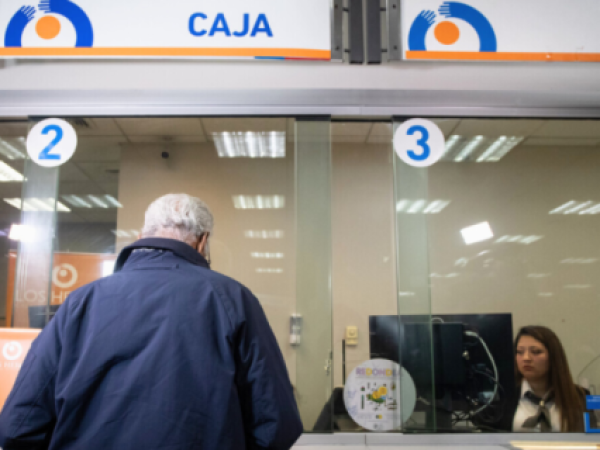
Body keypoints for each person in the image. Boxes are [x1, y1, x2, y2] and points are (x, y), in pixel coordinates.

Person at [0, 193, 303, 450]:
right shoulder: (232, 299)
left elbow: (18, 426)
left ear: (140, 237)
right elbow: (276, 425)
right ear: (203, 242)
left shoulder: (81, 301)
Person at [497, 325, 594, 433]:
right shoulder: (503, 397)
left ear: (553, 356)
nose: (526, 358)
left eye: (536, 352)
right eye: (519, 352)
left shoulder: (580, 396)